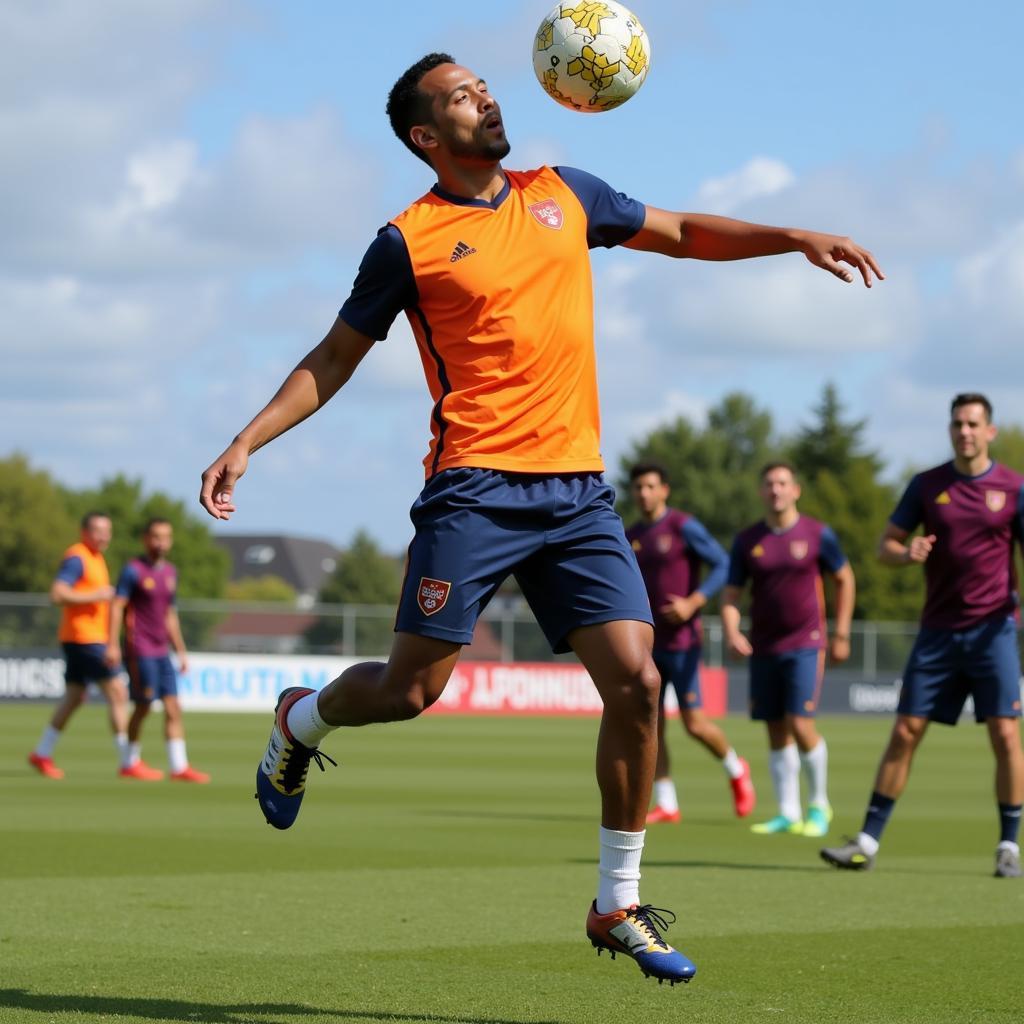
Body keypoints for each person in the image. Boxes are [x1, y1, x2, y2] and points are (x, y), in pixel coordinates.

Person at [199, 54, 881, 985]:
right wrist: (248, 439)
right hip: (473, 490)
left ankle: (618, 903)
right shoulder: (409, 239)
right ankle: (300, 720)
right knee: (409, 694)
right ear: (425, 137)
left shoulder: (567, 191)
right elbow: (333, 355)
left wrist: (791, 235)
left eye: (484, 83)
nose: (486, 95)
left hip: (576, 495)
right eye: (460, 94)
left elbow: (680, 231)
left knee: (639, 685)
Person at [822, 394, 1024, 878]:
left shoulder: (1012, 487)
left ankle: (1008, 847)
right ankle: (867, 842)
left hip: (994, 630)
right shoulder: (927, 485)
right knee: (906, 731)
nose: (965, 431)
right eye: (958, 423)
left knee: (1005, 733)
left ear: (990, 431)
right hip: (937, 632)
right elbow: (883, 547)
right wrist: (905, 550)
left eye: (974, 423)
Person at [721, 462, 855, 838]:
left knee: (800, 724)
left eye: (782, 483)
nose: (775, 490)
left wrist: (842, 632)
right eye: (768, 484)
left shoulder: (817, 534)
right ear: (761, 492)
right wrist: (732, 630)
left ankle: (819, 805)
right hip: (764, 647)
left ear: (796, 490)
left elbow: (844, 578)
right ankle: (787, 811)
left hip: (807, 644)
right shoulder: (747, 541)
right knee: (775, 729)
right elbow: (731, 596)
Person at [625, 462, 756, 823]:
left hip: (683, 642)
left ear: (664, 490)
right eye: (638, 487)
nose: (644, 493)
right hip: (646, 644)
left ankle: (736, 768)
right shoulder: (630, 533)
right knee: (650, 726)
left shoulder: (683, 526)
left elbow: (724, 565)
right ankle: (667, 802)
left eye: (651, 486)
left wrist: (693, 602)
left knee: (694, 723)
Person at [105, 518, 210, 784]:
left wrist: (181, 651)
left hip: (162, 652)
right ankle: (129, 761)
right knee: (143, 707)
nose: (161, 543)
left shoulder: (170, 573)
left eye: (166, 537)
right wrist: (112, 643)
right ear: (145, 539)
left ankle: (179, 766)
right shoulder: (133, 571)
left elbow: (169, 615)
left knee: (173, 707)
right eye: (156, 537)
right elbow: (117, 607)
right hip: (140, 649)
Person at [28, 512, 132, 779]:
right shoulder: (78, 557)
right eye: (98, 530)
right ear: (84, 531)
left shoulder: (96, 558)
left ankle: (42, 752)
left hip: (78, 638)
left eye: (107, 530)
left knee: (74, 696)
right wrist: (95, 595)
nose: (104, 536)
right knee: (118, 692)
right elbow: (57, 593)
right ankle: (128, 761)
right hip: (86, 638)